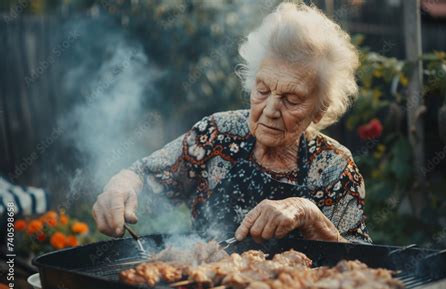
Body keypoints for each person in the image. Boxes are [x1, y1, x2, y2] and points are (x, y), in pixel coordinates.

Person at [92, 2, 372, 244]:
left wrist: (308, 215)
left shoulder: (335, 168)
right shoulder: (216, 134)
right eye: (262, 90)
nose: (270, 110)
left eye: (292, 99)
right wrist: (120, 185)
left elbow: (360, 263)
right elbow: (144, 176)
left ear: (319, 111)